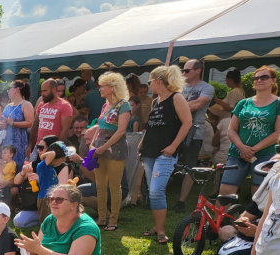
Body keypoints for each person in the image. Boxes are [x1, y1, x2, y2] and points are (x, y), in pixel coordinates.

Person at [139, 65, 193, 244]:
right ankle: (157, 227)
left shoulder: (177, 98)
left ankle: (160, 230)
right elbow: (152, 126)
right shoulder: (156, 101)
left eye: (149, 81)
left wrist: (173, 145)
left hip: (166, 153)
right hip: (149, 151)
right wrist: (142, 142)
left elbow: (187, 123)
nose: (149, 85)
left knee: (156, 191)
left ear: (158, 81)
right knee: (152, 190)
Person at [220, 66, 280, 197]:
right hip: (237, 153)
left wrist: (253, 149)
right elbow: (231, 130)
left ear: (273, 80)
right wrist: (242, 148)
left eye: (264, 77)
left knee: (259, 194)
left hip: (265, 155)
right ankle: (221, 218)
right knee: (225, 193)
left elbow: (279, 132)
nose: (259, 80)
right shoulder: (243, 103)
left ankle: (255, 218)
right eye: (256, 78)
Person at [91, 72, 132, 232]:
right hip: (100, 149)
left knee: (115, 187)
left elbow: (121, 131)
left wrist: (102, 147)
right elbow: (100, 127)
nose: (100, 89)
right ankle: (102, 218)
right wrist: (93, 144)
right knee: (100, 186)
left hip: (116, 150)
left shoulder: (124, 105)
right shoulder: (105, 105)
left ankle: (113, 220)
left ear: (112, 87)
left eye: (103, 86)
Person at [175, 59, 216, 213]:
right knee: (166, 162)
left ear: (198, 70)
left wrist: (176, 107)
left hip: (194, 132)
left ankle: (181, 201)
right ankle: (159, 196)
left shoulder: (207, 88)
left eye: (186, 71)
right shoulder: (178, 87)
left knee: (189, 167)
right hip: (175, 131)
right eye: (182, 71)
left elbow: (198, 105)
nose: (183, 73)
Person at [29, 79, 73, 164]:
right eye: (41, 91)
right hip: (38, 146)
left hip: (52, 147)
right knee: (31, 171)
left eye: (45, 91)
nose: (42, 94)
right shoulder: (41, 104)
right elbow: (35, 125)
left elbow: (65, 129)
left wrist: (57, 148)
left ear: (54, 90)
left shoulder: (65, 106)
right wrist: (30, 144)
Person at [0, 80, 34, 171]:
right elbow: (0, 121)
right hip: (6, 143)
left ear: (17, 89)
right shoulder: (8, 106)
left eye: (9, 88)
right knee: (5, 170)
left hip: (19, 144)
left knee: (16, 169)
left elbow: (30, 122)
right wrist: (2, 124)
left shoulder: (26, 104)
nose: (7, 91)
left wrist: (14, 124)